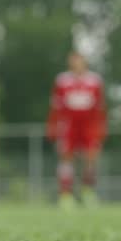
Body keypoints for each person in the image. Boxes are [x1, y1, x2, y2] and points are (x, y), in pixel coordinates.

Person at [46, 51, 107, 209]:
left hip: (89, 125)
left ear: (85, 62)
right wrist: (52, 126)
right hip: (69, 125)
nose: (77, 64)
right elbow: (55, 106)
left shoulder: (94, 80)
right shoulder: (62, 80)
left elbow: (100, 107)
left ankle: (88, 192)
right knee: (66, 158)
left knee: (91, 157)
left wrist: (101, 127)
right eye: (74, 61)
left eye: (80, 61)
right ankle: (65, 195)